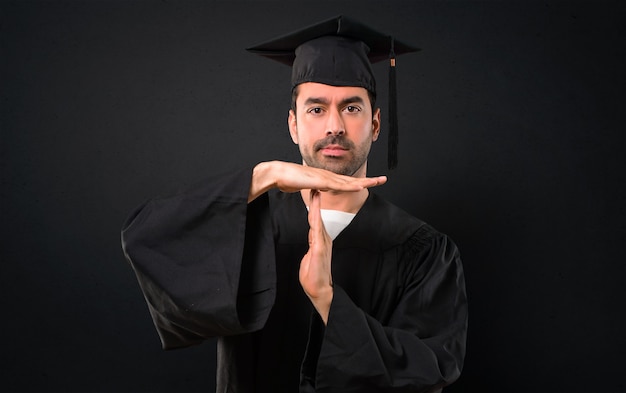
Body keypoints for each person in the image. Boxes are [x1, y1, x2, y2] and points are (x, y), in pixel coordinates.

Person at [121, 15, 468, 393]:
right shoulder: (250, 227)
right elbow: (147, 238)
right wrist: (264, 176)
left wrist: (328, 300)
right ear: (293, 125)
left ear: (375, 124)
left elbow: (428, 372)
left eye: (351, 108)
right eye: (316, 109)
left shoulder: (424, 250)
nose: (334, 125)